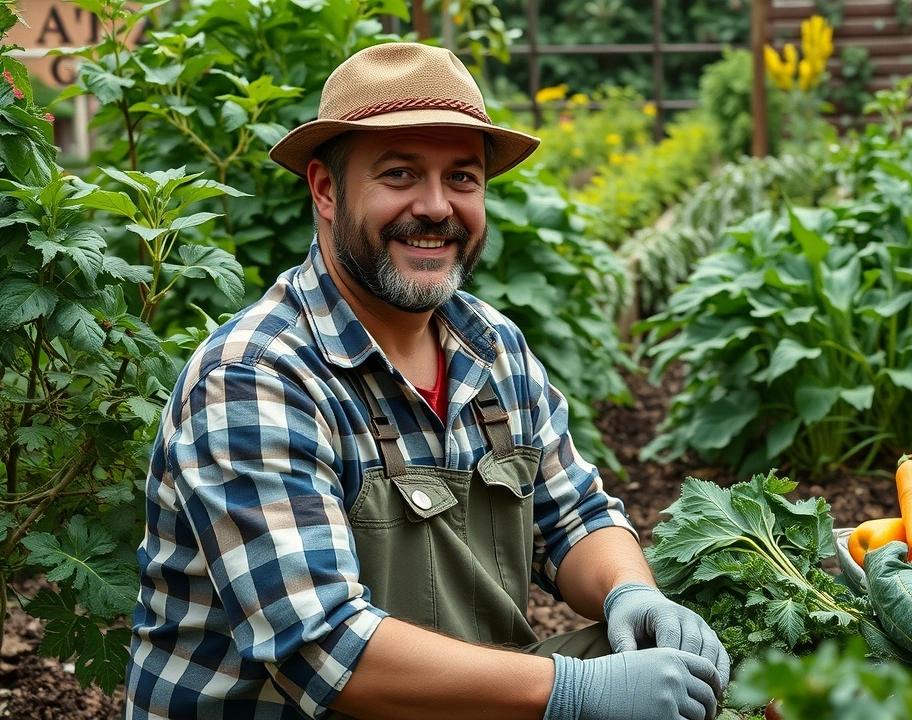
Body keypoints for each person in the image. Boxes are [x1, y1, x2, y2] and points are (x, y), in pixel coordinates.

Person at [124, 42, 729, 720]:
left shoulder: (491, 346)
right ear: (326, 189)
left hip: (459, 701)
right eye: (401, 174)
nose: (437, 206)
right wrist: (575, 692)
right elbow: (323, 648)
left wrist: (629, 593)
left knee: (717, 677)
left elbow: (575, 516)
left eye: (463, 178)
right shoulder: (254, 378)